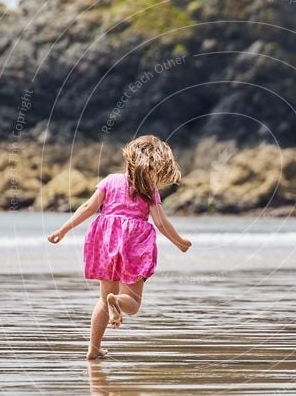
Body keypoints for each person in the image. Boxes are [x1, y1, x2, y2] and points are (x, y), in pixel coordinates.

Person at [47, 135, 191, 360]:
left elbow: (88, 207)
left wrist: (62, 230)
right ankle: (118, 301)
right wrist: (180, 242)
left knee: (103, 300)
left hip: (105, 240)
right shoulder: (149, 190)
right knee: (132, 303)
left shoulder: (111, 180)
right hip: (133, 244)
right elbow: (160, 222)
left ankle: (93, 349)